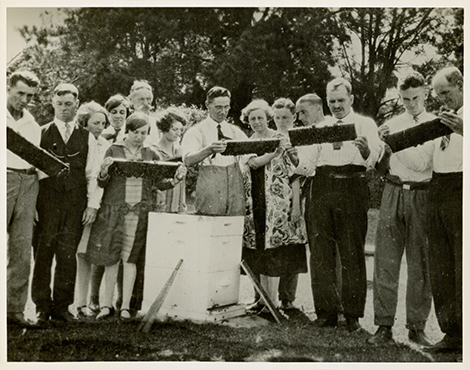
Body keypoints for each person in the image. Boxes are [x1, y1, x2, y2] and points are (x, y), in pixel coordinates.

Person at [83, 112, 186, 320]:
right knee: (111, 258)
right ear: (127, 132)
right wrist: (103, 171)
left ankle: (125, 306)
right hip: (115, 210)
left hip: (139, 212)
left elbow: (158, 184)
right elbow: (102, 183)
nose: (139, 137)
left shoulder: (150, 153)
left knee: (130, 259)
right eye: (136, 132)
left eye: (143, 133)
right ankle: (105, 305)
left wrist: (175, 180)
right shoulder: (114, 149)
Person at [299, 77, 382, 332]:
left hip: (352, 185)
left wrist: (367, 151)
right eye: (332, 101)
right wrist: (296, 158)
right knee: (321, 253)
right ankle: (326, 313)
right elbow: (308, 164)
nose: (336, 105)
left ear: (351, 99)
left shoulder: (365, 123)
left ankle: (353, 315)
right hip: (322, 187)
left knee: (352, 252)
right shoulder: (320, 126)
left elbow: (375, 158)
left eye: (341, 100)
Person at [367, 72, 434, 346]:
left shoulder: (435, 124)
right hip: (393, 192)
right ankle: (383, 326)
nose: (411, 103)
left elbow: (420, 164)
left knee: (421, 263)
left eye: (416, 98)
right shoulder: (392, 123)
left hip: (422, 194)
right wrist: (379, 147)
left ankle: (416, 327)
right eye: (405, 99)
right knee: (385, 261)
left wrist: (392, 142)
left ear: (426, 94)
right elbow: (378, 167)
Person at [32, 83, 100, 325]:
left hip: (75, 203)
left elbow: (93, 174)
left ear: (77, 105)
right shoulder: (40, 133)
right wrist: (32, 207)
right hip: (46, 204)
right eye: (59, 104)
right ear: (52, 103)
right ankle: (42, 307)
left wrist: (92, 205)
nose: (63, 109)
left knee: (67, 255)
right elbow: (32, 174)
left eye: (68, 104)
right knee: (42, 255)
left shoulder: (88, 137)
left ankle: (62, 308)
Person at [241, 99, 307, 312]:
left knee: (277, 251)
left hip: (279, 205)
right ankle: (261, 299)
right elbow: (252, 163)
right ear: (248, 121)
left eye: (260, 117)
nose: (257, 122)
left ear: (267, 118)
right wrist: (271, 153)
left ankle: (274, 301)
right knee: (258, 250)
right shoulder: (249, 141)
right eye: (252, 119)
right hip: (256, 205)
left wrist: (296, 206)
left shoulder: (280, 138)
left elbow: (295, 175)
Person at [425, 66, 463, 353]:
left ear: (460, 85)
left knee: (463, 266)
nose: (442, 99)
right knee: (441, 267)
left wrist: (463, 128)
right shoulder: (441, 118)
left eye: (446, 93)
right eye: (437, 95)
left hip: (463, 190)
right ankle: (451, 333)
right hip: (437, 189)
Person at [6, 71, 41, 327]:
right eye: (20, 93)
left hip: (28, 182)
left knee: (21, 249)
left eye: (29, 95)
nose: (24, 100)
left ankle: (14, 310)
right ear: (9, 89)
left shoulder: (33, 125)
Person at [182, 86, 247, 216]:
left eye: (226, 107)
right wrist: (208, 150)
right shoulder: (196, 132)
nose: (223, 112)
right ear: (207, 105)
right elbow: (188, 160)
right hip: (210, 189)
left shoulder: (235, 131)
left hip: (235, 188)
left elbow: (252, 158)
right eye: (218, 107)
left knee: (233, 229)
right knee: (209, 229)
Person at [73, 102, 111, 318]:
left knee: (88, 253)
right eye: (95, 123)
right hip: (83, 203)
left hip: (97, 205)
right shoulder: (80, 142)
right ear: (84, 123)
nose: (100, 127)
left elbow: (99, 178)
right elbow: (88, 176)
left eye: (103, 123)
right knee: (79, 253)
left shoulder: (104, 144)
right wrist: (89, 205)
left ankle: (84, 302)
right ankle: (77, 303)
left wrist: (94, 206)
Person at [153, 107, 188, 213]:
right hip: (161, 205)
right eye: (175, 129)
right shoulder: (153, 151)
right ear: (164, 128)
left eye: (181, 130)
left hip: (178, 205)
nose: (178, 133)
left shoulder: (180, 151)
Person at [128, 80, 160, 145]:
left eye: (148, 99)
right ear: (131, 100)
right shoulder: (126, 122)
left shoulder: (156, 122)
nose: (145, 103)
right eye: (141, 99)